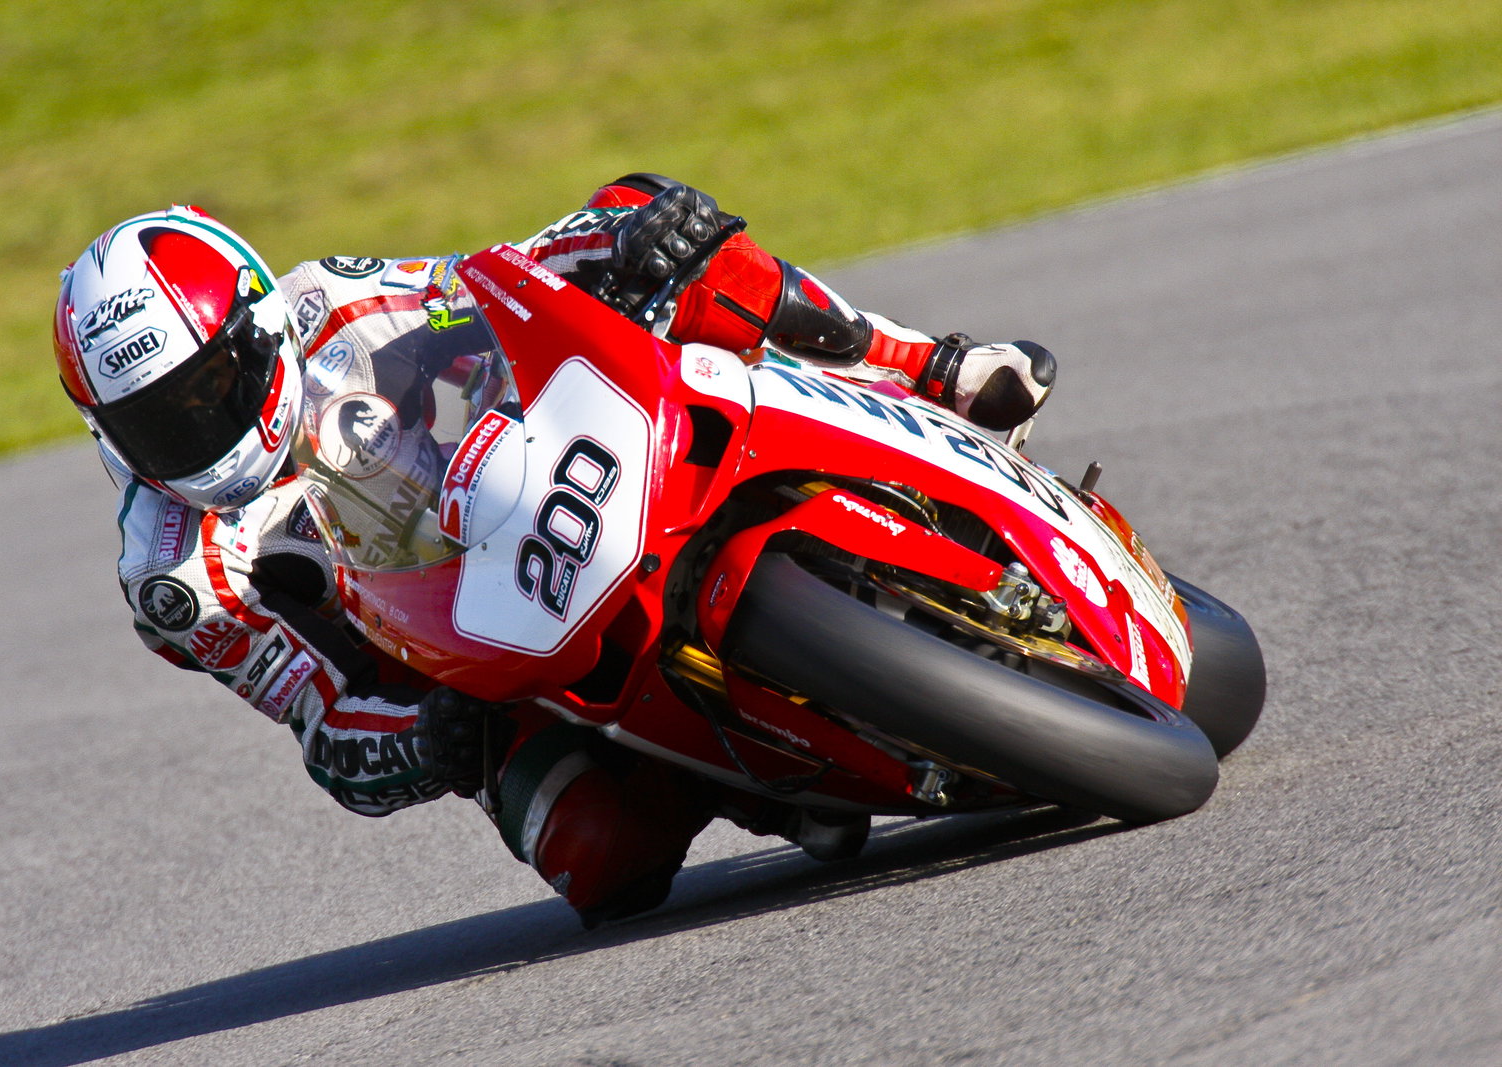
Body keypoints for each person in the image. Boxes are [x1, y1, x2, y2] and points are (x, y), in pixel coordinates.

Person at [52, 174, 1056, 927]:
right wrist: (421, 738)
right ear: (107, 432)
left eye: (211, 382)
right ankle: (749, 769)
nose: (198, 426)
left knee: (668, 231)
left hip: (540, 478)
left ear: (263, 328)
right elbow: (324, 726)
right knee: (603, 860)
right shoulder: (177, 577)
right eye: (159, 421)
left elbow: (494, 286)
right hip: (461, 661)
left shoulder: (337, 308)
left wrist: (623, 239)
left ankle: (938, 371)